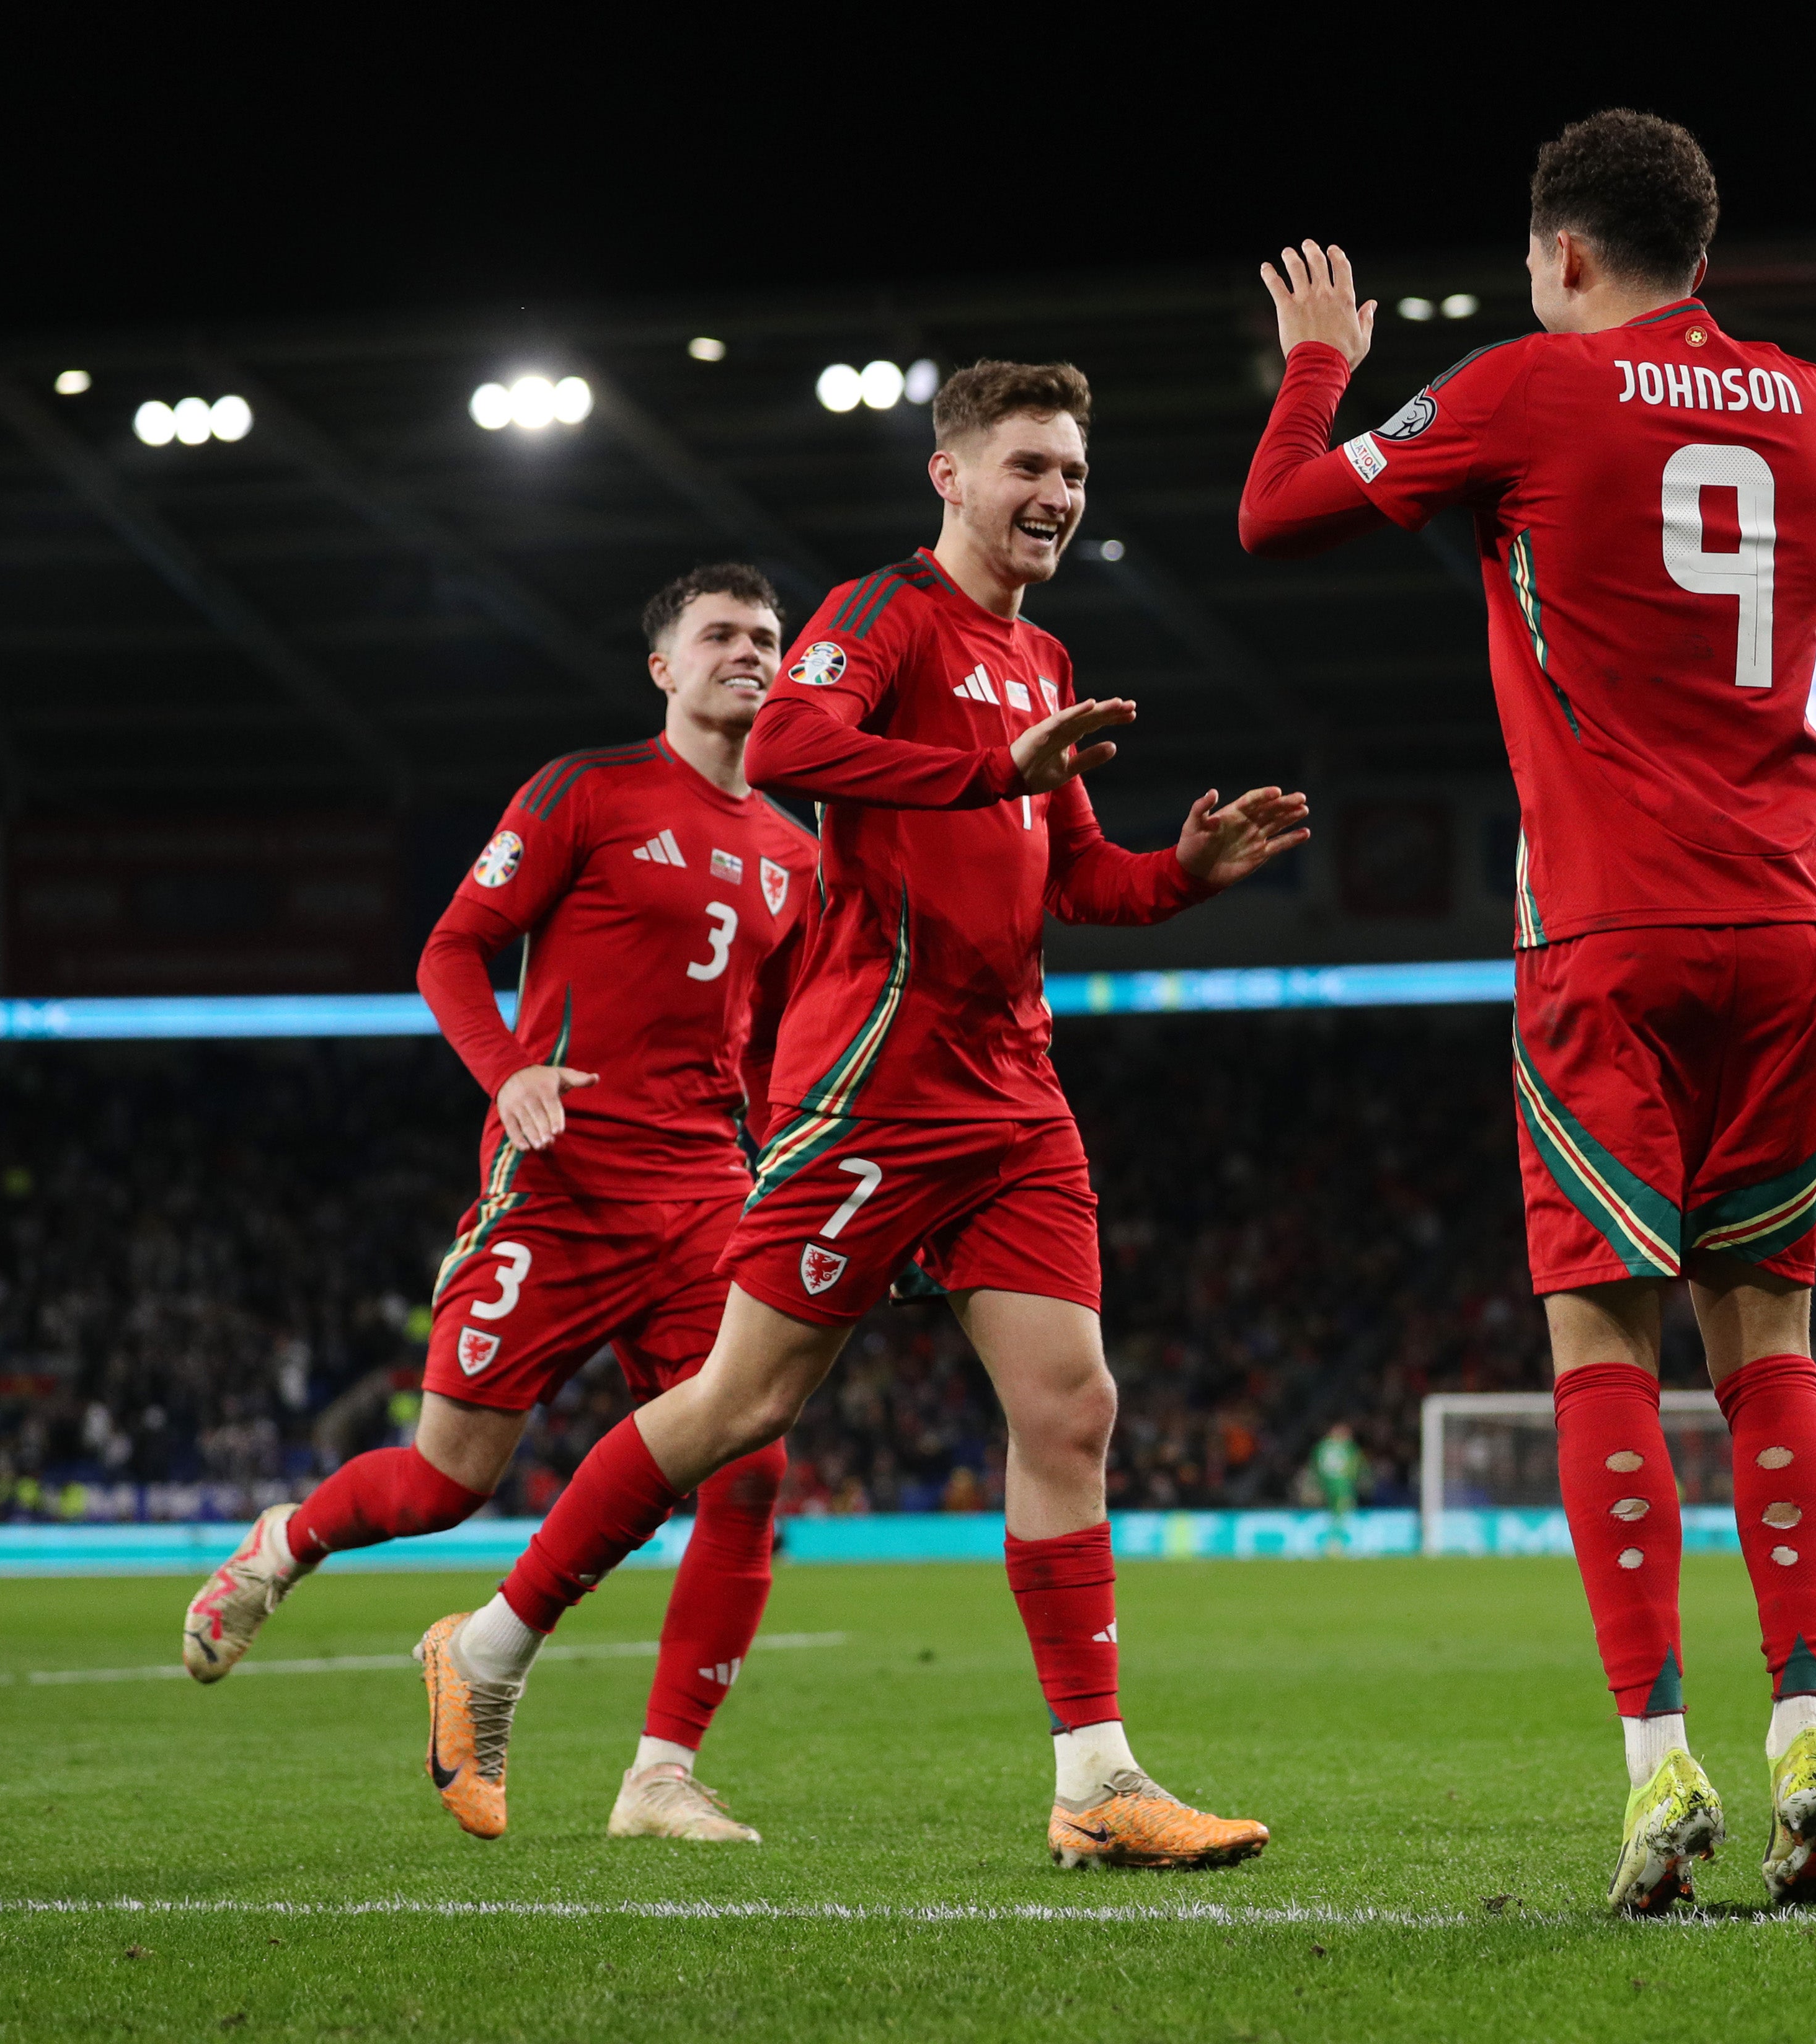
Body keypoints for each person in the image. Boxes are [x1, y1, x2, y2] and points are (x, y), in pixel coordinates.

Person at [412, 360, 1309, 1868]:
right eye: (1028, 465)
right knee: (740, 1409)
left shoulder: (1046, 655)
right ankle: (488, 1647)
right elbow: (790, 751)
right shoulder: (878, 614)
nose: (1057, 496)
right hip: (872, 1080)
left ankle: (1094, 1779)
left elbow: (1072, 871)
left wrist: (1181, 876)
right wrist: (985, 771)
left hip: (1013, 1088)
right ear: (949, 477)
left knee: (1071, 1407)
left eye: (1075, 474)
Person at [1238, 110, 1816, 1913]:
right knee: (1774, 1346)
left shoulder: (1531, 384)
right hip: (1791, 925)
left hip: (1607, 935)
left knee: (1608, 1349)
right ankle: (1809, 1721)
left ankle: (1657, 1762)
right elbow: (1801, 594)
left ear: (1567, 256)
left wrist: (1320, 368)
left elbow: (1280, 515)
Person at [181, 564, 817, 1843]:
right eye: (720, 636)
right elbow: (451, 949)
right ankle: (281, 1547)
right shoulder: (585, 790)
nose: (747, 653)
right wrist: (514, 1070)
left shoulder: (797, 852)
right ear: (664, 666)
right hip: (561, 1186)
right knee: (445, 1484)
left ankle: (659, 1777)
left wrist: (784, 1156)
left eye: (766, 638)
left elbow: (769, 1045)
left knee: (750, 1468)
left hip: (702, 1193)